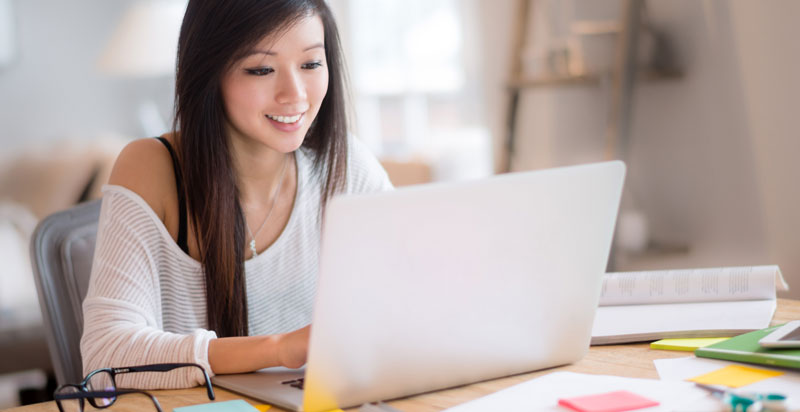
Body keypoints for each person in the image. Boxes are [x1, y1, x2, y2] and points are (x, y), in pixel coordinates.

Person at [80, 0, 392, 389]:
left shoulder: (345, 165)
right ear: (209, 71)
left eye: (311, 64)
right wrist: (279, 349)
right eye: (261, 69)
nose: (294, 94)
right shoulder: (152, 168)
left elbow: (409, 298)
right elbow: (105, 358)